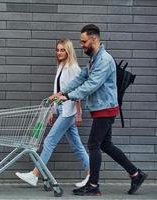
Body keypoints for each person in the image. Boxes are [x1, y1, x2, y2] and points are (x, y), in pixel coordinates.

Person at [55, 24, 147, 196]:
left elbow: (91, 85)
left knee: (93, 144)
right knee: (105, 144)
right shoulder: (94, 58)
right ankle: (136, 174)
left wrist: (68, 97)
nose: (81, 45)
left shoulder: (103, 60)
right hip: (102, 108)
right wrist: (62, 91)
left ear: (94, 39)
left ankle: (93, 185)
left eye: (84, 41)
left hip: (106, 109)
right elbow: (82, 77)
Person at [15, 38, 90, 188]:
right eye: (57, 50)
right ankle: (92, 174)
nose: (59, 53)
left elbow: (77, 91)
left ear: (68, 51)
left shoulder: (73, 68)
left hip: (68, 112)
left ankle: (35, 174)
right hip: (62, 109)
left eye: (63, 50)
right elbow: (58, 91)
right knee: (76, 145)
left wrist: (78, 113)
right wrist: (51, 110)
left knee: (49, 141)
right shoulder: (62, 66)